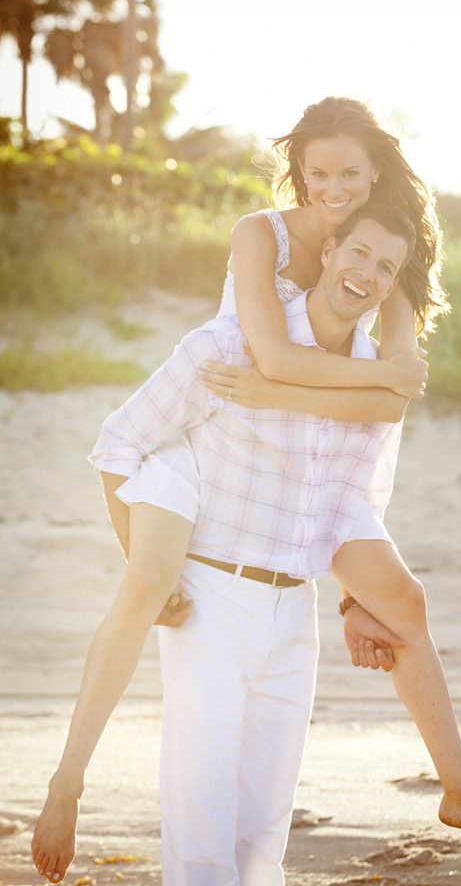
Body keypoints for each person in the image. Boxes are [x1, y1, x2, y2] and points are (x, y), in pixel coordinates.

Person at [31, 205, 422, 885]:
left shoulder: (369, 384)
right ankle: (67, 781)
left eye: (384, 267)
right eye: (356, 253)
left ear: (393, 288)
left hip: (292, 613)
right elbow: (118, 442)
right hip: (210, 599)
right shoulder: (226, 347)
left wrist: (353, 602)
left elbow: (348, 503)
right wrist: (147, 566)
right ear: (327, 250)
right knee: (203, 837)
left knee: (261, 845)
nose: (365, 273)